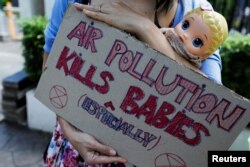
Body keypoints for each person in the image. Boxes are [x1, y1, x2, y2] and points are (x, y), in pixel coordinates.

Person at [43, 0, 224, 166]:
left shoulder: (197, 13)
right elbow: (51, 66)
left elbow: (211, 103)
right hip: (75, 146)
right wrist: (69, 130)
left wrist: (144, 28)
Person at [160, 6, 228, 68]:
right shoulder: (167, 33)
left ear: (204, 55)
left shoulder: (191, 67)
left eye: (197, 41)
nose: (185, 35)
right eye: (185, 25)